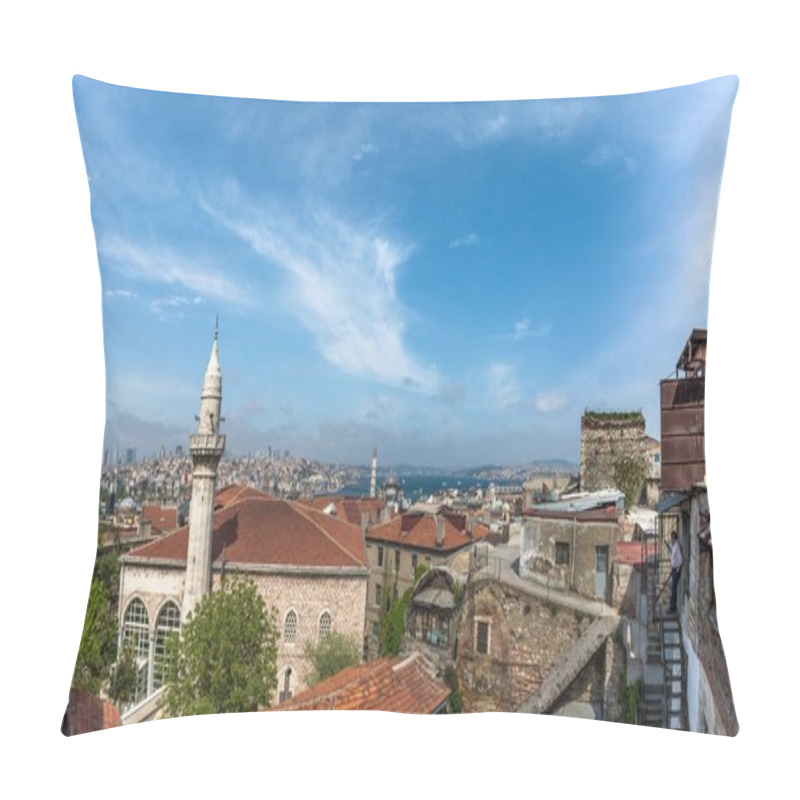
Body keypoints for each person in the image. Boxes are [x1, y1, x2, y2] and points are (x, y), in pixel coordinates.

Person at [668, 530, 683, 614]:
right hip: (673, 569)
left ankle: (672, 608)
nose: (671, 539)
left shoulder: (677, 546)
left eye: (672, 537)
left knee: (673, 589)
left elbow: (681, 560)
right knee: (672, 589)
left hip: (676, 570)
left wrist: (677, 571)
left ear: (674, 538)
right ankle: (672, 606)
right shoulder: (674, 545)